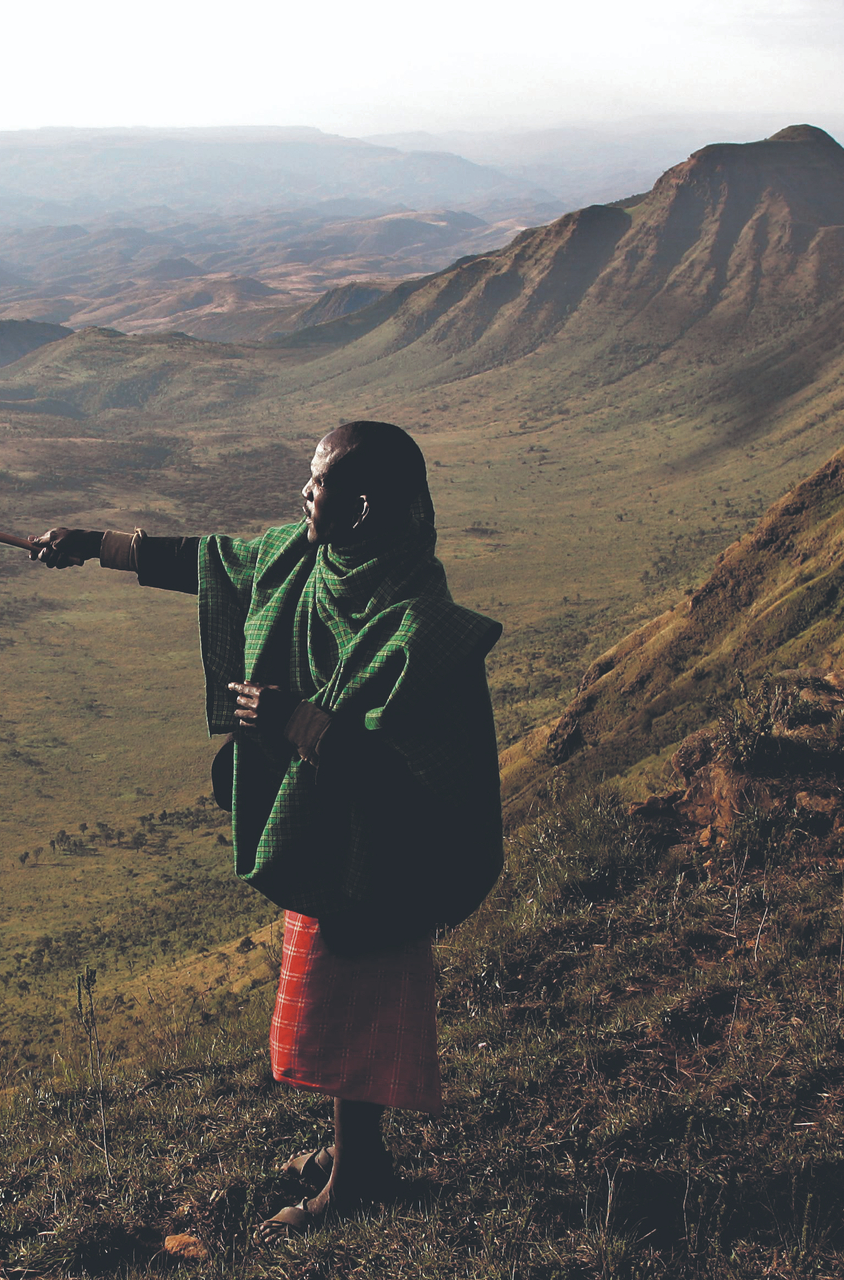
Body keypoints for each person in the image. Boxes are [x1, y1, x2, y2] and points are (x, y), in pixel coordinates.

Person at [30, 420, 503, 1235]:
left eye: (317, 485)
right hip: (325, 838)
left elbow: (418, 782)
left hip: (382, 858)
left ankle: (355, 1183)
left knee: (356, 1002)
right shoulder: (303, 559)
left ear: (358, 509)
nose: (303, 494)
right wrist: (93, 544)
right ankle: (362, 1157)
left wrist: (303, 726)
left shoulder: (422, 625)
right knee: (334, 995)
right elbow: (211, 560)